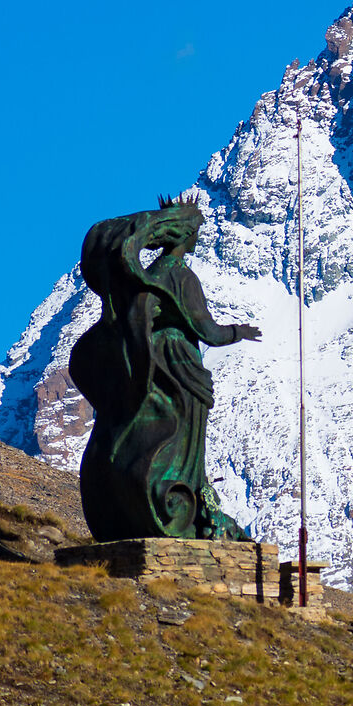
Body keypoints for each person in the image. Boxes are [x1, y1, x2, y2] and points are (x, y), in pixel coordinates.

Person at [69, 196, 261, 540]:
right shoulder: (181, 278)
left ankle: (177, 506)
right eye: (196, 231)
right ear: (186, 235)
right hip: (180, 366)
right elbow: (207, 330)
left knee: (165, 436)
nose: (198, 238)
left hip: (155, 361)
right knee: (185, 445)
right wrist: (239, 332)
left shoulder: (149, 275)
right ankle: (182, 511)